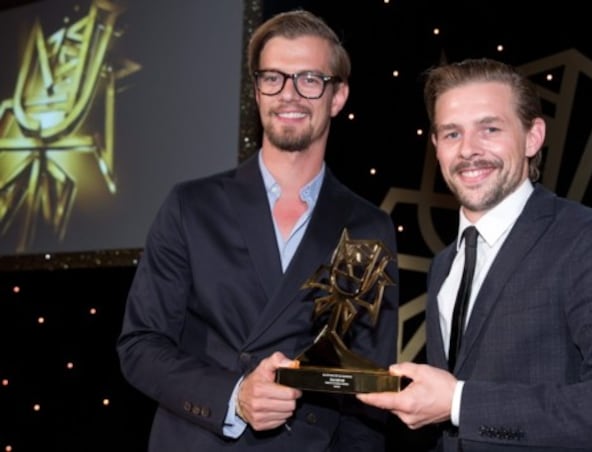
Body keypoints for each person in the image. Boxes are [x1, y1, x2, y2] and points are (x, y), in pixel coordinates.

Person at [117, 9, 399, 452]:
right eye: (274, 78)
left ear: (338, 96)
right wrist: (233, 396)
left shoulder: (369, 225)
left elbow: (367, 384)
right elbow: (140, 346)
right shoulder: (191, 206)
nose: (289, 94)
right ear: (257, 90)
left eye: (309, 79)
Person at [357, 58, 592, 451]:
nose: (469, 150)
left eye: (490, 129)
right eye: (452, 134)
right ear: (436, 147)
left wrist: (459, 402)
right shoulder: (444, 264)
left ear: (533, 136)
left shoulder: (589, 240)